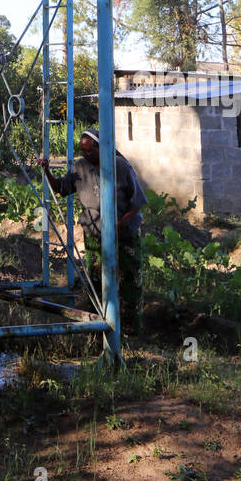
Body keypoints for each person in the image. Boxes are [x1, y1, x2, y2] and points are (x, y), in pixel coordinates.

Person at [38, 129, 147, 337]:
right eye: (83, 151)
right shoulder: (80, 168)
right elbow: (61, 187)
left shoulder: (120, 166)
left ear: (100, 148)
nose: (86, 155)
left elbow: (137, 202)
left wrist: (120, 224)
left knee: (129, 281)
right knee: (97, 281)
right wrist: (47, 172)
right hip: (95, 235)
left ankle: (131, 331)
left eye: (89, 151)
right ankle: (99, 326)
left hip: (123, 236)